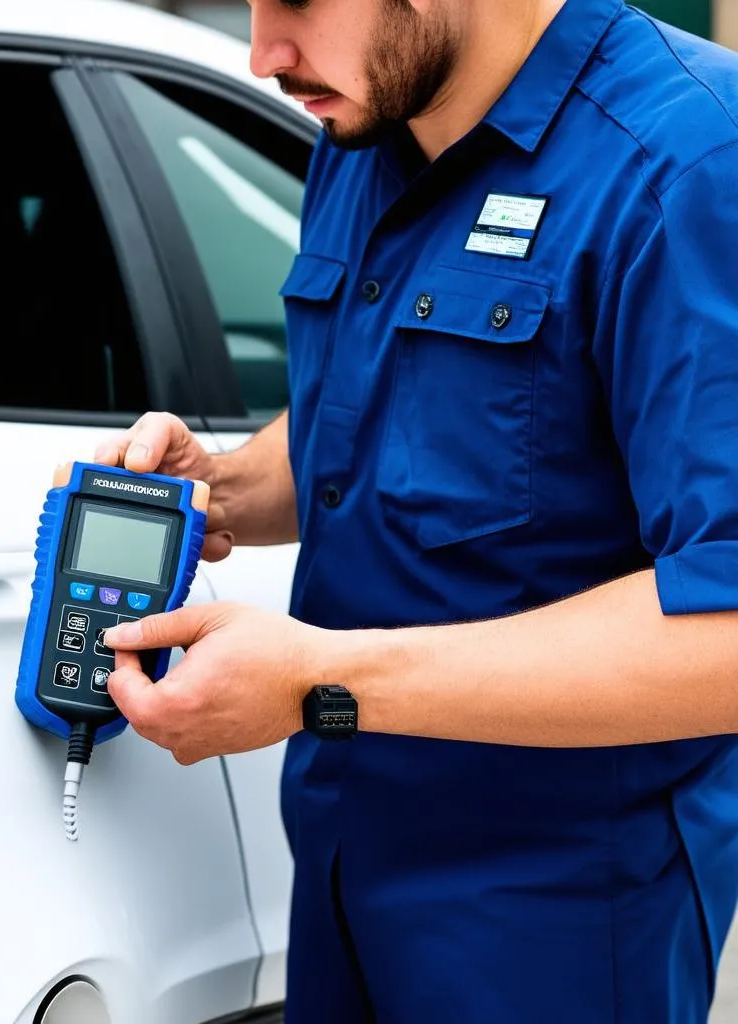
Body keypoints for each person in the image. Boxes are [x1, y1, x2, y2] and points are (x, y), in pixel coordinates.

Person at [96, 0, 738, 1020]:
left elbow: (726, 633)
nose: (265, 51)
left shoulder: (691, 163)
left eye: (298, 0)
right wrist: (212, 486)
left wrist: (320, 683)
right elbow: (366, 423)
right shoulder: (358, 128)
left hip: (555, 919)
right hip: (342, 864)